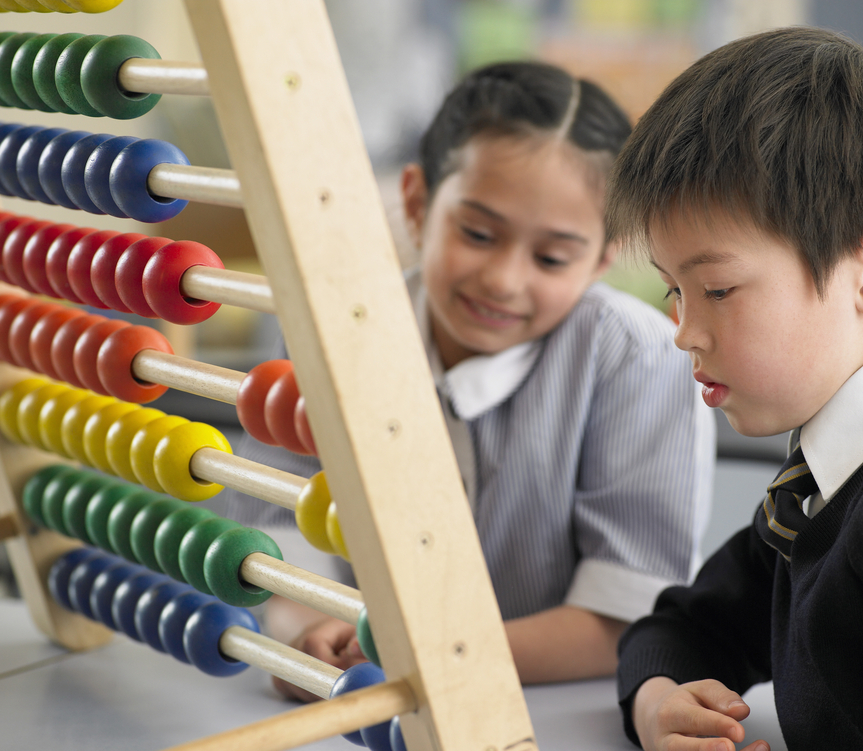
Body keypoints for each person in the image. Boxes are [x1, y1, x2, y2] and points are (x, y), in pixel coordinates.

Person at [223, 61, 716, 699]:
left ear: (603, 256)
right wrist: (306, 633)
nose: (503, 279)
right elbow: (278, 532)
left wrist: (413, 659)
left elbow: (623, 611)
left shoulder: (637, 358)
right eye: (478, 233)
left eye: (551, 257)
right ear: (417, 202)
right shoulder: (333, 337)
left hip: (558, 708)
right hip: (367, 705)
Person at [608, 26, 863, 751]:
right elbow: (681, 627)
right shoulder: (825, 477)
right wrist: (661, 705)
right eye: (674, 291)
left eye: (718, 288)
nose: (683, 332)